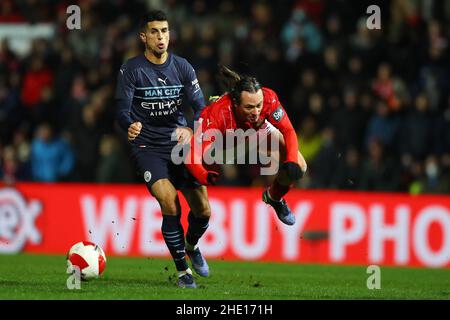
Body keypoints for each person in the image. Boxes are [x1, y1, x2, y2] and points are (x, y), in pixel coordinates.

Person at [115, 10, 211, 288]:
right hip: (148, 146)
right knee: (170, 202)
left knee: (203, 211)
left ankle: (191, 247)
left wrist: (192, 129)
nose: (161, 37)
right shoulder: (131, 69)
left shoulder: (183, 67)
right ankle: (183, 272)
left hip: (179, 145)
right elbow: (121, 108)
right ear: (143, 36)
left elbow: (201, 108)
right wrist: (129, 124)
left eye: (165, 31)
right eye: (155, 31)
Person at [185, 66, 307, 225]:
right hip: (226, 144)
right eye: (249, 107)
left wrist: (290, 160)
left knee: (300, 166)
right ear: (235, 103)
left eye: (259, 105)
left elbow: (288, 130)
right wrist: (203, 174)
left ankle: (274, 197)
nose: (256, 111)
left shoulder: (268, 98)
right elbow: (191, 155)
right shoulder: (217, 115)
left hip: (254, 132)